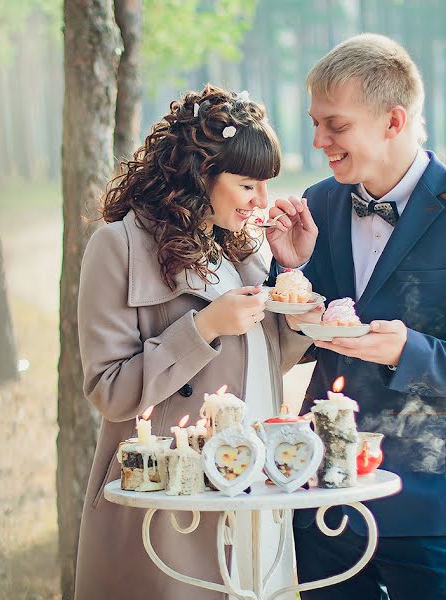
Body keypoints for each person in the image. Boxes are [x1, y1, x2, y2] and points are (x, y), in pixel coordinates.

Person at [266, 34, 446, 599]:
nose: (318, 141)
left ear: (392, 120)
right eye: (316, 124)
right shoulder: (321, 204)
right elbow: (296, 334)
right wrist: (290, 272)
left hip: (425, 499)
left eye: (335, 125)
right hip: (323, 493)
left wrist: (404, 351)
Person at [73, 84, 319, 600]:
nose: (262, 202)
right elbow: (109, 390)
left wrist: (290, 275)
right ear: (198, 174)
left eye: (266, 186)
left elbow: (266, 361)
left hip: (250, 486)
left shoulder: (238, 249)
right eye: (248, 184)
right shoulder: (116, 246)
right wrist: (204, 328)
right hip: (173, 502)